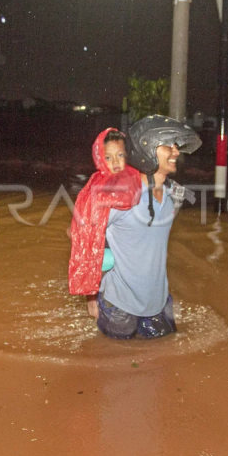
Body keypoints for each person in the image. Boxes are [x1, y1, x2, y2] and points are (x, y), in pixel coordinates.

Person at [95, 115, 201, 339]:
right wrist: (89, 296)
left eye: (176, 146)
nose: (176, 152)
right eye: (168, 146)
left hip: (157, 300)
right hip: (119, 303)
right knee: (114, 356)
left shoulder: (174, 195)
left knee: (167, 350)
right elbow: (79, 234)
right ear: (146, 149)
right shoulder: (119, 197)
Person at [68, 128, 142, 318]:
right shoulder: (97, 184)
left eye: (119, 155)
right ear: (100, 159)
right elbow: (83, 223)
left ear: (127, 155)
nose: (115, 162)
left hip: (127, 242)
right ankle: (93, 298)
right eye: (108, 158)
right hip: (103, 240)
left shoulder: (135, 178)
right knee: (106, 261)